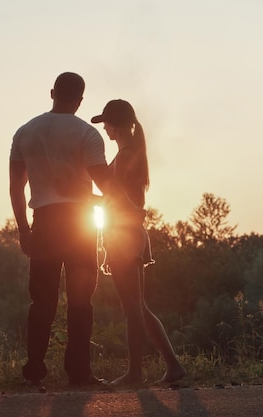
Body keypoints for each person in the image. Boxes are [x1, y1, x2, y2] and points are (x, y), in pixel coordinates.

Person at [9, 72, 112, 387]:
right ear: (80, 100)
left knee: (41, 302)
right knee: (81, 301)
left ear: (52, 92)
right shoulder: (87, 135)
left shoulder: (25, 132)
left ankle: (34, 372)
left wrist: (24, 230)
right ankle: (79, 373)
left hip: (45, 224)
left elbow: (15, 188)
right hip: (79, 224)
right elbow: (107, 187)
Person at [91, 99, 186, 386]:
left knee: (132, 309)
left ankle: (134, 374)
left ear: (117, 125)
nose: (104, 128)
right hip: (130, 234)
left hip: (124, 236)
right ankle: (173, 366)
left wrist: (79, 198)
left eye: (106, 123)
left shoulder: (126, 156)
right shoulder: (131, 152)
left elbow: (118, 201)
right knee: (138, 307)